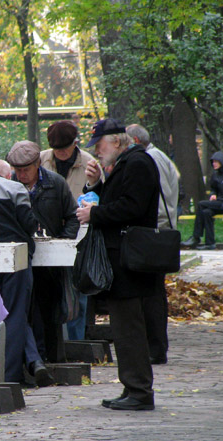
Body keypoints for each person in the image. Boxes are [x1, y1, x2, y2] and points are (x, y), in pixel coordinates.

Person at [77, 118, 161, 411]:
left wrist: (95, 214)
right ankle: (132, 387)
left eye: (98, 145)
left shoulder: (137, 163)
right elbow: (120, 200)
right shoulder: (128, 163)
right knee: (124, 329)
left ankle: (139, 391)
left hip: (130, 261)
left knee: (130, 329)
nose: (96, 152)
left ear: (115, 141)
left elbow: (132, 208)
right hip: (124, 260)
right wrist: (96, 186)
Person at [6, 140, 79, 366]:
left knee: (51, 309)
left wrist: (62, 243)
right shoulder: (9, 184)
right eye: (17, 170)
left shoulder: (55, 183)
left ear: (38, 163)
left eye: (26, 170)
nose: (21, 175)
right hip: (22, 258)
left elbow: (73, 216)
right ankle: (32, 360)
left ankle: (52, 358)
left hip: (50, 261)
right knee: (26, 310)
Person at [0, 160, 52, 386]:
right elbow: (28, 223)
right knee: (15, 313)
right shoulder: (15, 188)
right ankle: (12, 374)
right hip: (16, 258)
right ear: (8, 176)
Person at [40, 120, 103, 341]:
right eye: (57, 150)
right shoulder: (40, 160)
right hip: (47, 238)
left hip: (79, 237)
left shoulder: (89, 163)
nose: (61, 153)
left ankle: (76, 343)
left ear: (75, 143)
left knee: (77, 294)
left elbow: (99, 196)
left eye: (65, 149)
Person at [126, 124, 180, 365]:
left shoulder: (149, 159)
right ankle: (156, 347)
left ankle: (156, 348)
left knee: (153, 295)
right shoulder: (159, 156)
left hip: (154, 233)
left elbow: (157, 199)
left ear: (135, 140)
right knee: (154, 293)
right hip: (158, 231)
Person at [181, 151, 223, 250]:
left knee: (201, 204)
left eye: (216, 162)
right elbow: (214, 188)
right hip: (219, 203)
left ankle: (196, 237)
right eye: (213, 162)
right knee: (206, 212)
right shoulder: (216, 174)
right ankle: (210, 243)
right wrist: (213, 194)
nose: (214, 164)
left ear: (222, 162)